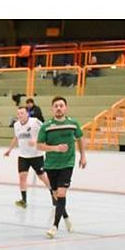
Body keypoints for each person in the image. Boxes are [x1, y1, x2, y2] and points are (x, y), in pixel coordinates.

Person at [37, 96, 86, 238]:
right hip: (51, 164)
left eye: (61, 105)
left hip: (67, 163)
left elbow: (80, 139)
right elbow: (39, 145)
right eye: (56, 106)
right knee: (55, 195)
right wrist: (55, 148)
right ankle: (65, 217)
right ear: (52, 109)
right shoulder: (46, 126)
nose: (59, 108)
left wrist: (83, 156)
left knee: (61, 193)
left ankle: (54, 226)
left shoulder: (73, 124)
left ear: (66, 108)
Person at [5, 106, 49, 208]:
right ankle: (24, 200)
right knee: (22, 177)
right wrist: (9, 150)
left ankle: (53, 193)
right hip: (23, 156)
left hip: (36, 155)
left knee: (42, 177)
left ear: (27, 114)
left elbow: (44, 131)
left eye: (22, 113)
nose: (20, 115)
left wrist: (36, 140)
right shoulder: (16, 125)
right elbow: (16, 138)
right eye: (18, 114)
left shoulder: (35, 122)